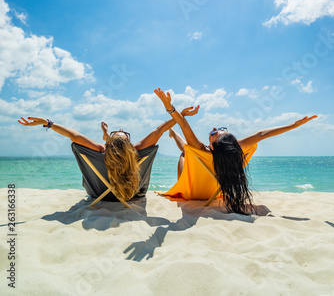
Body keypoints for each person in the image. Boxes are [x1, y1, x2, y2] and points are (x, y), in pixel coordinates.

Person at [154, 87, 317, 215]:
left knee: (186, 151)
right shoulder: (232, 153)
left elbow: (183, 124)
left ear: (213, 146)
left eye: (214, 132)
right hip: (213, 193)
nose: (212, 129)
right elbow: (261, 134)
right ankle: (174, 134)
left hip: (188, 193)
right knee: (190, 149)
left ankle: (173, 134)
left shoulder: (202, 149)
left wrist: (169, 107)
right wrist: (293, 126)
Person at [18, 106, 199, 203]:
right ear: (129, 145)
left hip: (99, 194)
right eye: (123, 133)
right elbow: (160, 130)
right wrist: (180, 115)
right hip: (131, 194)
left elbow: (73, 135)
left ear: (109, 144)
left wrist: (48, 123)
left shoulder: (100, 151)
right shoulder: (136, 152)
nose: (121, 130)